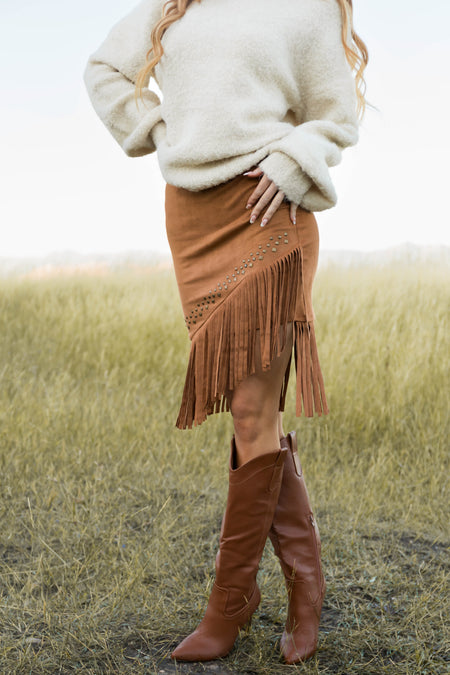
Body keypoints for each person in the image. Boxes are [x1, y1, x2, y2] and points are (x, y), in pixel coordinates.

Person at [84, 0, 368, 664]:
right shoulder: (173, 5)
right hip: (192, 216)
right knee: (254, 414)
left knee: (249, 407)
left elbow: (336, 115)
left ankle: (231, 604)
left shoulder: (306, 9)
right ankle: (301, 589)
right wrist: (159, 133)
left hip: (268, 210)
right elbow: (103, 69)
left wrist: (294, 159)